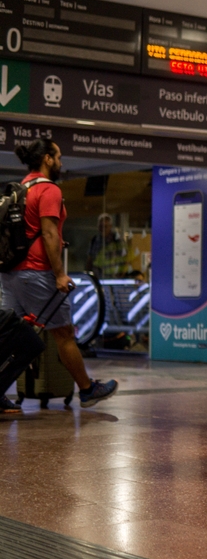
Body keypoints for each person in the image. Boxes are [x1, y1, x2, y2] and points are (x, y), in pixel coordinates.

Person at [0, 139, 118, 409]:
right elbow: (50, 233)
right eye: (59, 156)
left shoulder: (21, 188)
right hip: (37, 275)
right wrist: (60, 274)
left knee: (9, 335)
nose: (62, 163)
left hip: (10, 274)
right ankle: (87, 390)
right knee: (63, 333)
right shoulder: (48, 190)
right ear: (48, 159)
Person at [86, 213, 130, 279]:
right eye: (101, 226)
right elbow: (90, 259)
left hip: (113, 278)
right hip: (97, 278)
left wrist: (121, 276)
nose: (103, 229)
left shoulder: (117, 240)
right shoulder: (94, 240)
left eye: (105, 226)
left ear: (110, 226)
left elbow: (125, 260)